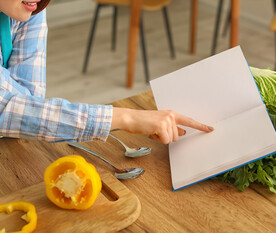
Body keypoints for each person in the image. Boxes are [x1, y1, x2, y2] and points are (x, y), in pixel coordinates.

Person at [0, 0, 213, 144]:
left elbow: (28, 104)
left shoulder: (30, 7)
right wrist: (126, 118)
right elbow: (14, 109)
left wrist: (16, 105)